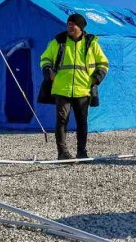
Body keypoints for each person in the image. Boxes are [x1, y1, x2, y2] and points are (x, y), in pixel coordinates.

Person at [40, 13, 109, 160]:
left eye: (73, 24)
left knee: (82, 122)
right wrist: (48, 71)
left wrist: (95, 79)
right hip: (61, 88)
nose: (69, 27)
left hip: (83, 89)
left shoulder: (91, 43)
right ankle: (62, 153)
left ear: (80, 27)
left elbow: (103, 63)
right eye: (68, 24)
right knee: (62, 120)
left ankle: (81, 152)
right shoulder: (59, 41)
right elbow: (45, 58)